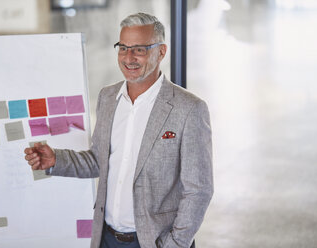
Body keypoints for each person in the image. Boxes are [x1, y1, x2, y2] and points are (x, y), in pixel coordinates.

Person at [24, 12, 213, 248]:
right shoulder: (108, 97)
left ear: (161, 52)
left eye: (139, 49)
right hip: (105, 238)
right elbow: (99, 160)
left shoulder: (189, 109)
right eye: (123, 48)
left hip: (154, 243)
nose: (129, 57)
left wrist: (174, 243)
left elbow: (199, 190)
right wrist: (55, 160)